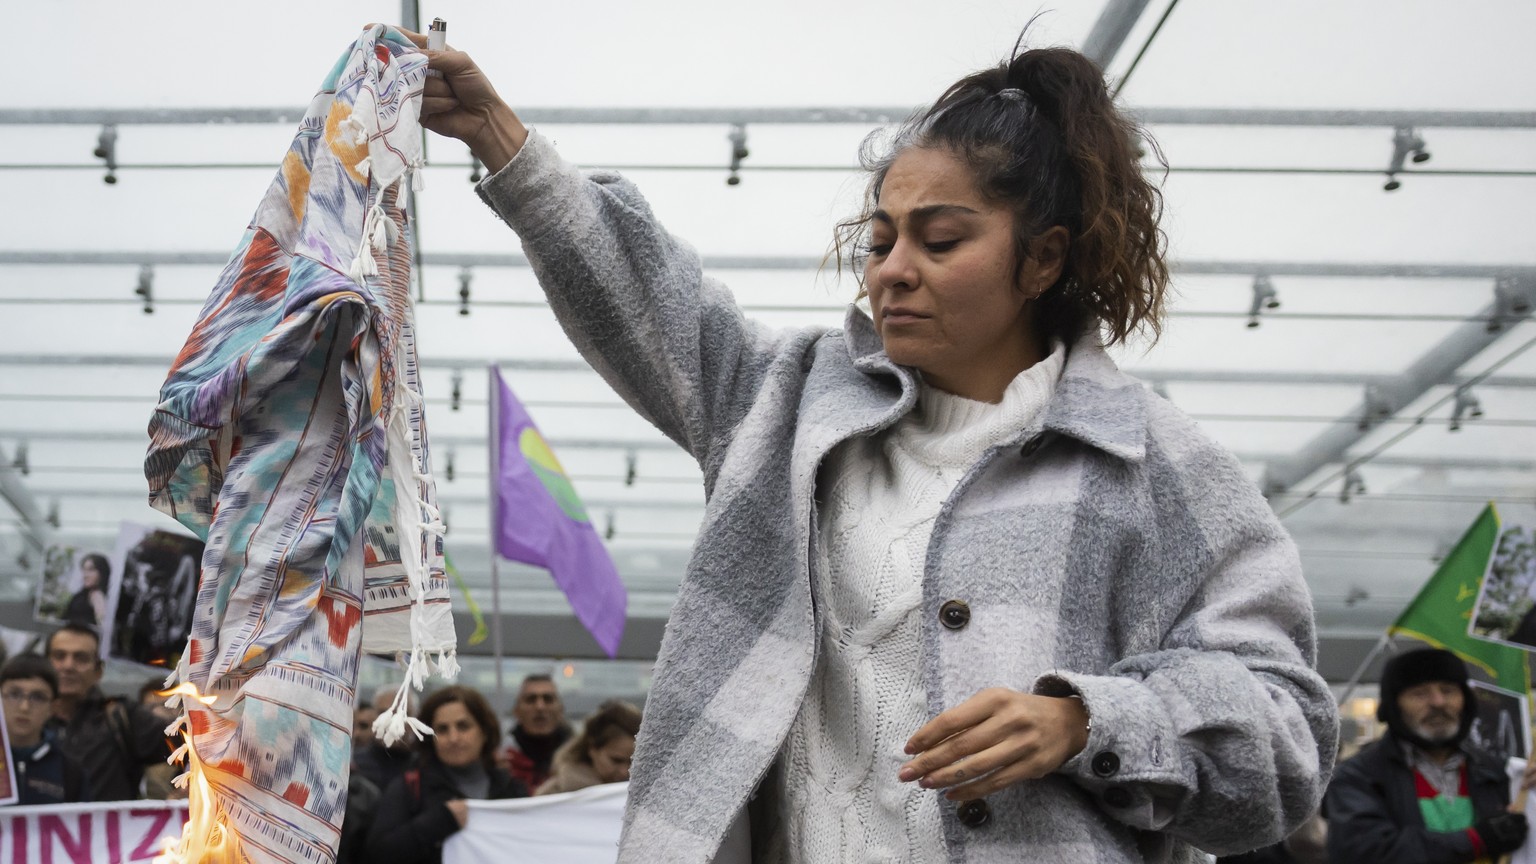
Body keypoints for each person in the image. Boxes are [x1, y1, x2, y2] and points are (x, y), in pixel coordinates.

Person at [410, 28, 1337, 863]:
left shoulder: (1153, 467)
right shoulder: (794, 406)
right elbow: (650, 299)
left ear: (1044, 259)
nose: (894, 270)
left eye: (941, 240)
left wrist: (1084, 720)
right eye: (882, 238)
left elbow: (1289, 735)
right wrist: (499, 137)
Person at [1324, 647, 1531, 862]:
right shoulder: (1357, 776)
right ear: (1394, 705)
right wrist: (1476, 839)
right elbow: (1365, 852)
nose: (1438, 703)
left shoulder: (1500, 773)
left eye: (1448, 690)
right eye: (1420, 693)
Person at [365, 685, 529, 864]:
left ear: (484, 731)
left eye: (463, 726)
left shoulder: (513, 789)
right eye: (442, 730)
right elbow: (377, 854)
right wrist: (439, 822)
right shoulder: (409, 788)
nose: (453, 738)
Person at [44, 623, 175, 801]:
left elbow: (195, 745)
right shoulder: (15, 718)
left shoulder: (123, 717)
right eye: (59, 656)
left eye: (80, 658)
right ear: (44, 663)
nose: (68, 665)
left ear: (98, 671)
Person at [1, 655, 89, 805]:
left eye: (38, 697)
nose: (24, 707)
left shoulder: (70, 772)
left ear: (53, 707)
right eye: (14, 694)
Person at [536, 699, 641, 795]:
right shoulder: (553, 796)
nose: (624, 771)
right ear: (593, 749)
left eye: (633, 762)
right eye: (616, 761)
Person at [502, 673, 572, 792]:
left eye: (548, 699)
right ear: (516, 711)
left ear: (560, 709)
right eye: (531, 700)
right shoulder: (502, 759)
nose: (540, 707)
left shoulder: (578, 760)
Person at [354, 684, 419, 792]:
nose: (393, 721)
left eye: (402, 714)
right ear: (373, 717)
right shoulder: (353, 765)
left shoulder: (426, 770)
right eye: (384, 713)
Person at [62, 553, 109, 628]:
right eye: (84, 570)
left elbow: (102, 626)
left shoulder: (98, 595)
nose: (85, 575)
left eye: (91, 570)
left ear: (102, 572)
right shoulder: (81, 594)